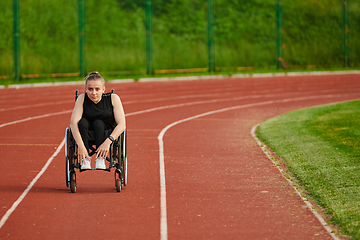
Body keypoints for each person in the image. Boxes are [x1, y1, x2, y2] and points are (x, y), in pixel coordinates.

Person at [70, 72, 126, 170]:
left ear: (103, 89)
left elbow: (122, 124)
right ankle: (85, 159)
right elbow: (73, 123)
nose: (94, 93)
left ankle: (101, 159)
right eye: (90, 89)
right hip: (86, 133)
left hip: (107, 133)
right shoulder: (82, 98)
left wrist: (108, 141)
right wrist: (81, 147)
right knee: (82, 122)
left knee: (98, 123)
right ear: (86, 89)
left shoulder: (113, 98)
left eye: (97, 89)